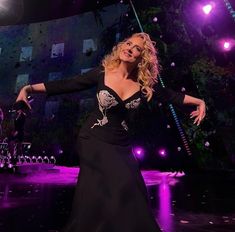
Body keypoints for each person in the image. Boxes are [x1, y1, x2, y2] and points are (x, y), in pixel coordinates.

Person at [16, 32, 206, 232]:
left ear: (142, 57)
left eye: (137, 48)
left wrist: (199, 101)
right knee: (117, 185)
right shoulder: (102, 73)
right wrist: (27, 89)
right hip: (93, 139)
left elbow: (172, 96)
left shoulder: (145, 87)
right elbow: (67, 84)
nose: (130, 48)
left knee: (133, 190)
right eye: (128, 43)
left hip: (121, 146)